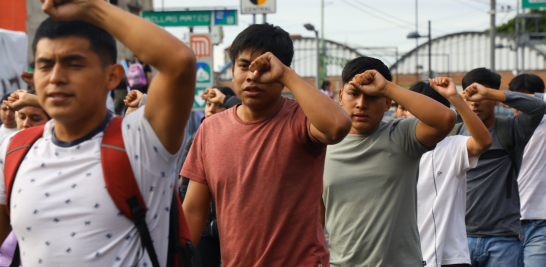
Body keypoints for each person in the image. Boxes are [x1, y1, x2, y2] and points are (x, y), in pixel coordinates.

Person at [0, 0, 196, 266]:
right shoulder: (16, 148)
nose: (56, 76)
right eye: (45, 65)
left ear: (112, 77)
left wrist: (90, 6)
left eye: (74, 64)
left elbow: (179, 62)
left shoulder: (140, 141)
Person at [181, 23, 352, 267]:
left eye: (264, 67)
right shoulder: (209, 129)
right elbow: (193, 211)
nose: (252, 75)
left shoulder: (301, 119)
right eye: (243, 66)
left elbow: (337, 126)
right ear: (232, 71)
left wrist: (287, 75)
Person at [322, 56, 456, 267]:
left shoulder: (402, 135)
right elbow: (317, 221)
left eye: (372, 96)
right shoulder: (323, 145)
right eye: (353, 94)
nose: (361, 104)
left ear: (387, 103)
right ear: (340, 97)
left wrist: (386, 87)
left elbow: (446, 119)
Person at [458, 68, 546, 267]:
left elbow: (538, 106)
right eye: (469, 95)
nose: (475, 101)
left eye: (481, 94)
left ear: (498, 99)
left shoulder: (514, 128)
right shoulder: (453, 133)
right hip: (460, 238)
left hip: (505, 238)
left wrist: (491, 93)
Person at [409, 79, 492, 267]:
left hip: (449, 259)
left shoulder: (452, 146)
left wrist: (454, 97)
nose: (413, 114)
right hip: (404, 257)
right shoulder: (396, 148)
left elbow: (484, 142)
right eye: (409, 108)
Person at [507, 74, 546, 267]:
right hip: (506, 223)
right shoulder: (506, 128)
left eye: (526, 100)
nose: (521, 107)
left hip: (540, 221)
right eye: (517, 101)